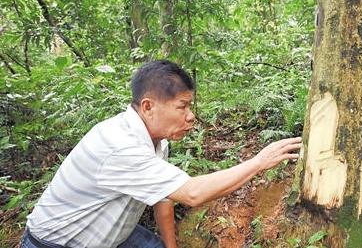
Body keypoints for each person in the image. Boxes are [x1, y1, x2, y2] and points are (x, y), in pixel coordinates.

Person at [20, 60, 302, 248]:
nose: (191, 117)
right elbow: (192, 193)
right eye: (182, 107)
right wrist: (259, 162)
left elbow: (164, 198)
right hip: (55, 243)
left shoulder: (156, 140)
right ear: (148, 106)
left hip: (113, 234)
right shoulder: (120, 145)